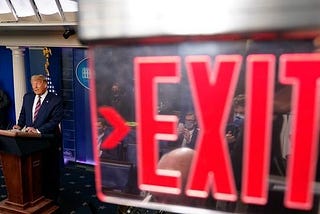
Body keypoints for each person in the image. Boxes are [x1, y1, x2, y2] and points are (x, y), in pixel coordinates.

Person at [12, 74, 63, 202]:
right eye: (33, 83)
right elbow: (24, 114)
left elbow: (54, 121)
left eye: (38, 83)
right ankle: (37, 194)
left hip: (48, 140)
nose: (35, 86)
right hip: (30, 141)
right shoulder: (28, 97)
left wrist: (38, 130)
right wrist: (19, 125)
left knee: (49, 169)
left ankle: (52, 198)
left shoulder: (55, 100)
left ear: (45, 84)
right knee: (34, 169)